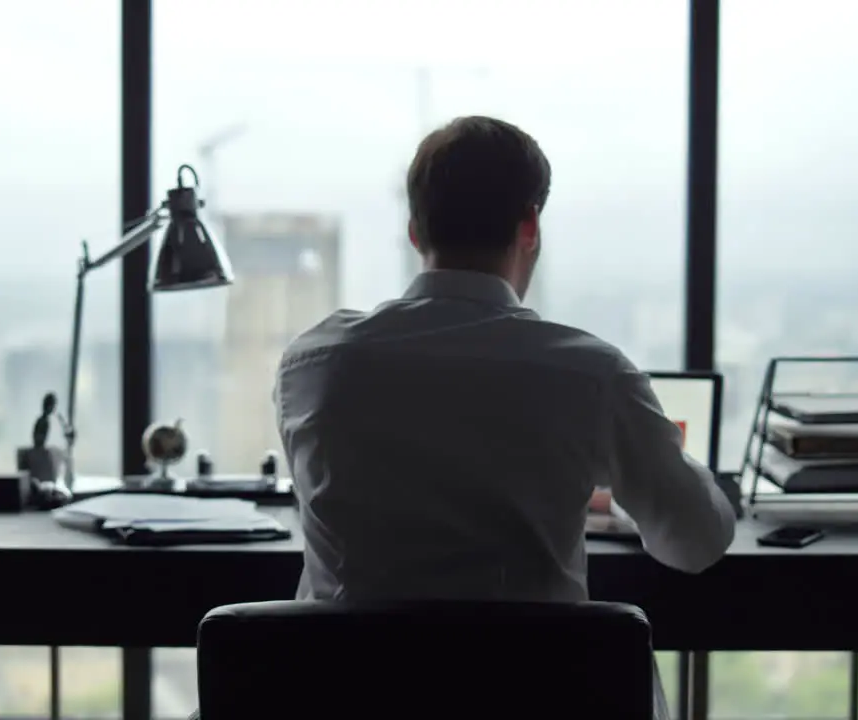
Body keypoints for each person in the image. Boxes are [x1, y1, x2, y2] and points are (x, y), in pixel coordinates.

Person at [274, 115, 736, 605]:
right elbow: (696, 542)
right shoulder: (592, 375)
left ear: (414, 231)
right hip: (536, 682)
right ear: (530, 226)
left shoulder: (314, 364)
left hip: (347, 681)